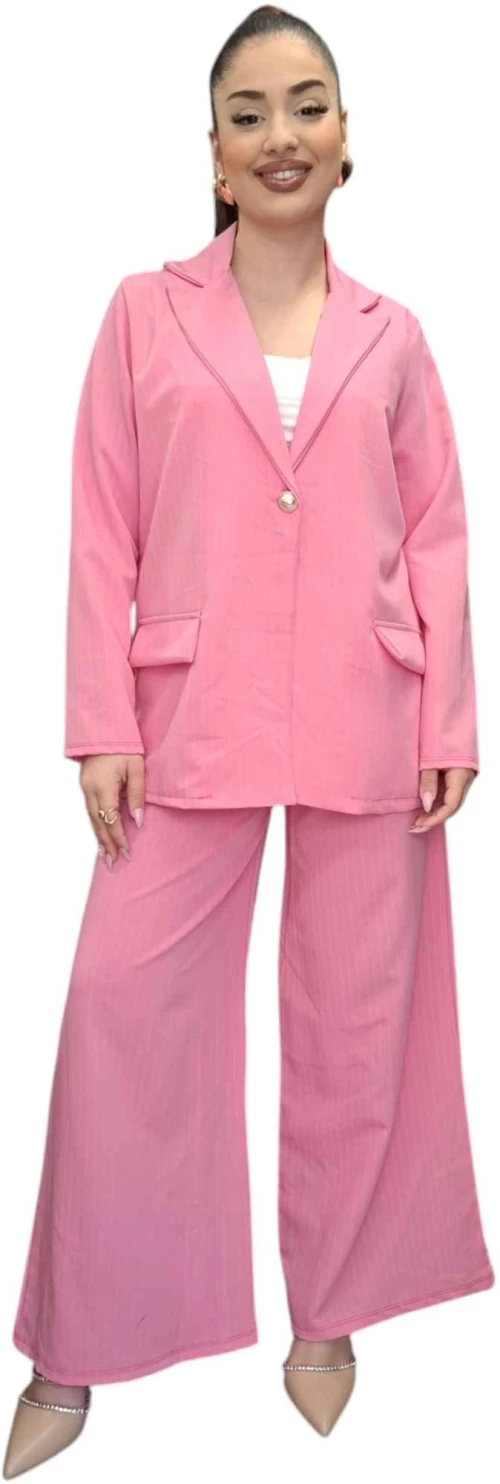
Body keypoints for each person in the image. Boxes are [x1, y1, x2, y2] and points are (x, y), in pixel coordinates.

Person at [3, 4, 495, 1473]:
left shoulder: (396, 337)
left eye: (308, 105)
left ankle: (331, 1312)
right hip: (186, 714)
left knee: (361, 1024)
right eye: (249, 112)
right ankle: (80, 1340)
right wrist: (100, 721)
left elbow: (439, 535)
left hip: (368, 707)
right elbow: (100, 522)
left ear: (348, 141)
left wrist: (451, 718)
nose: (282, 133)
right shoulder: (141, 312)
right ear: (214, 155)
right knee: (120, 1013)